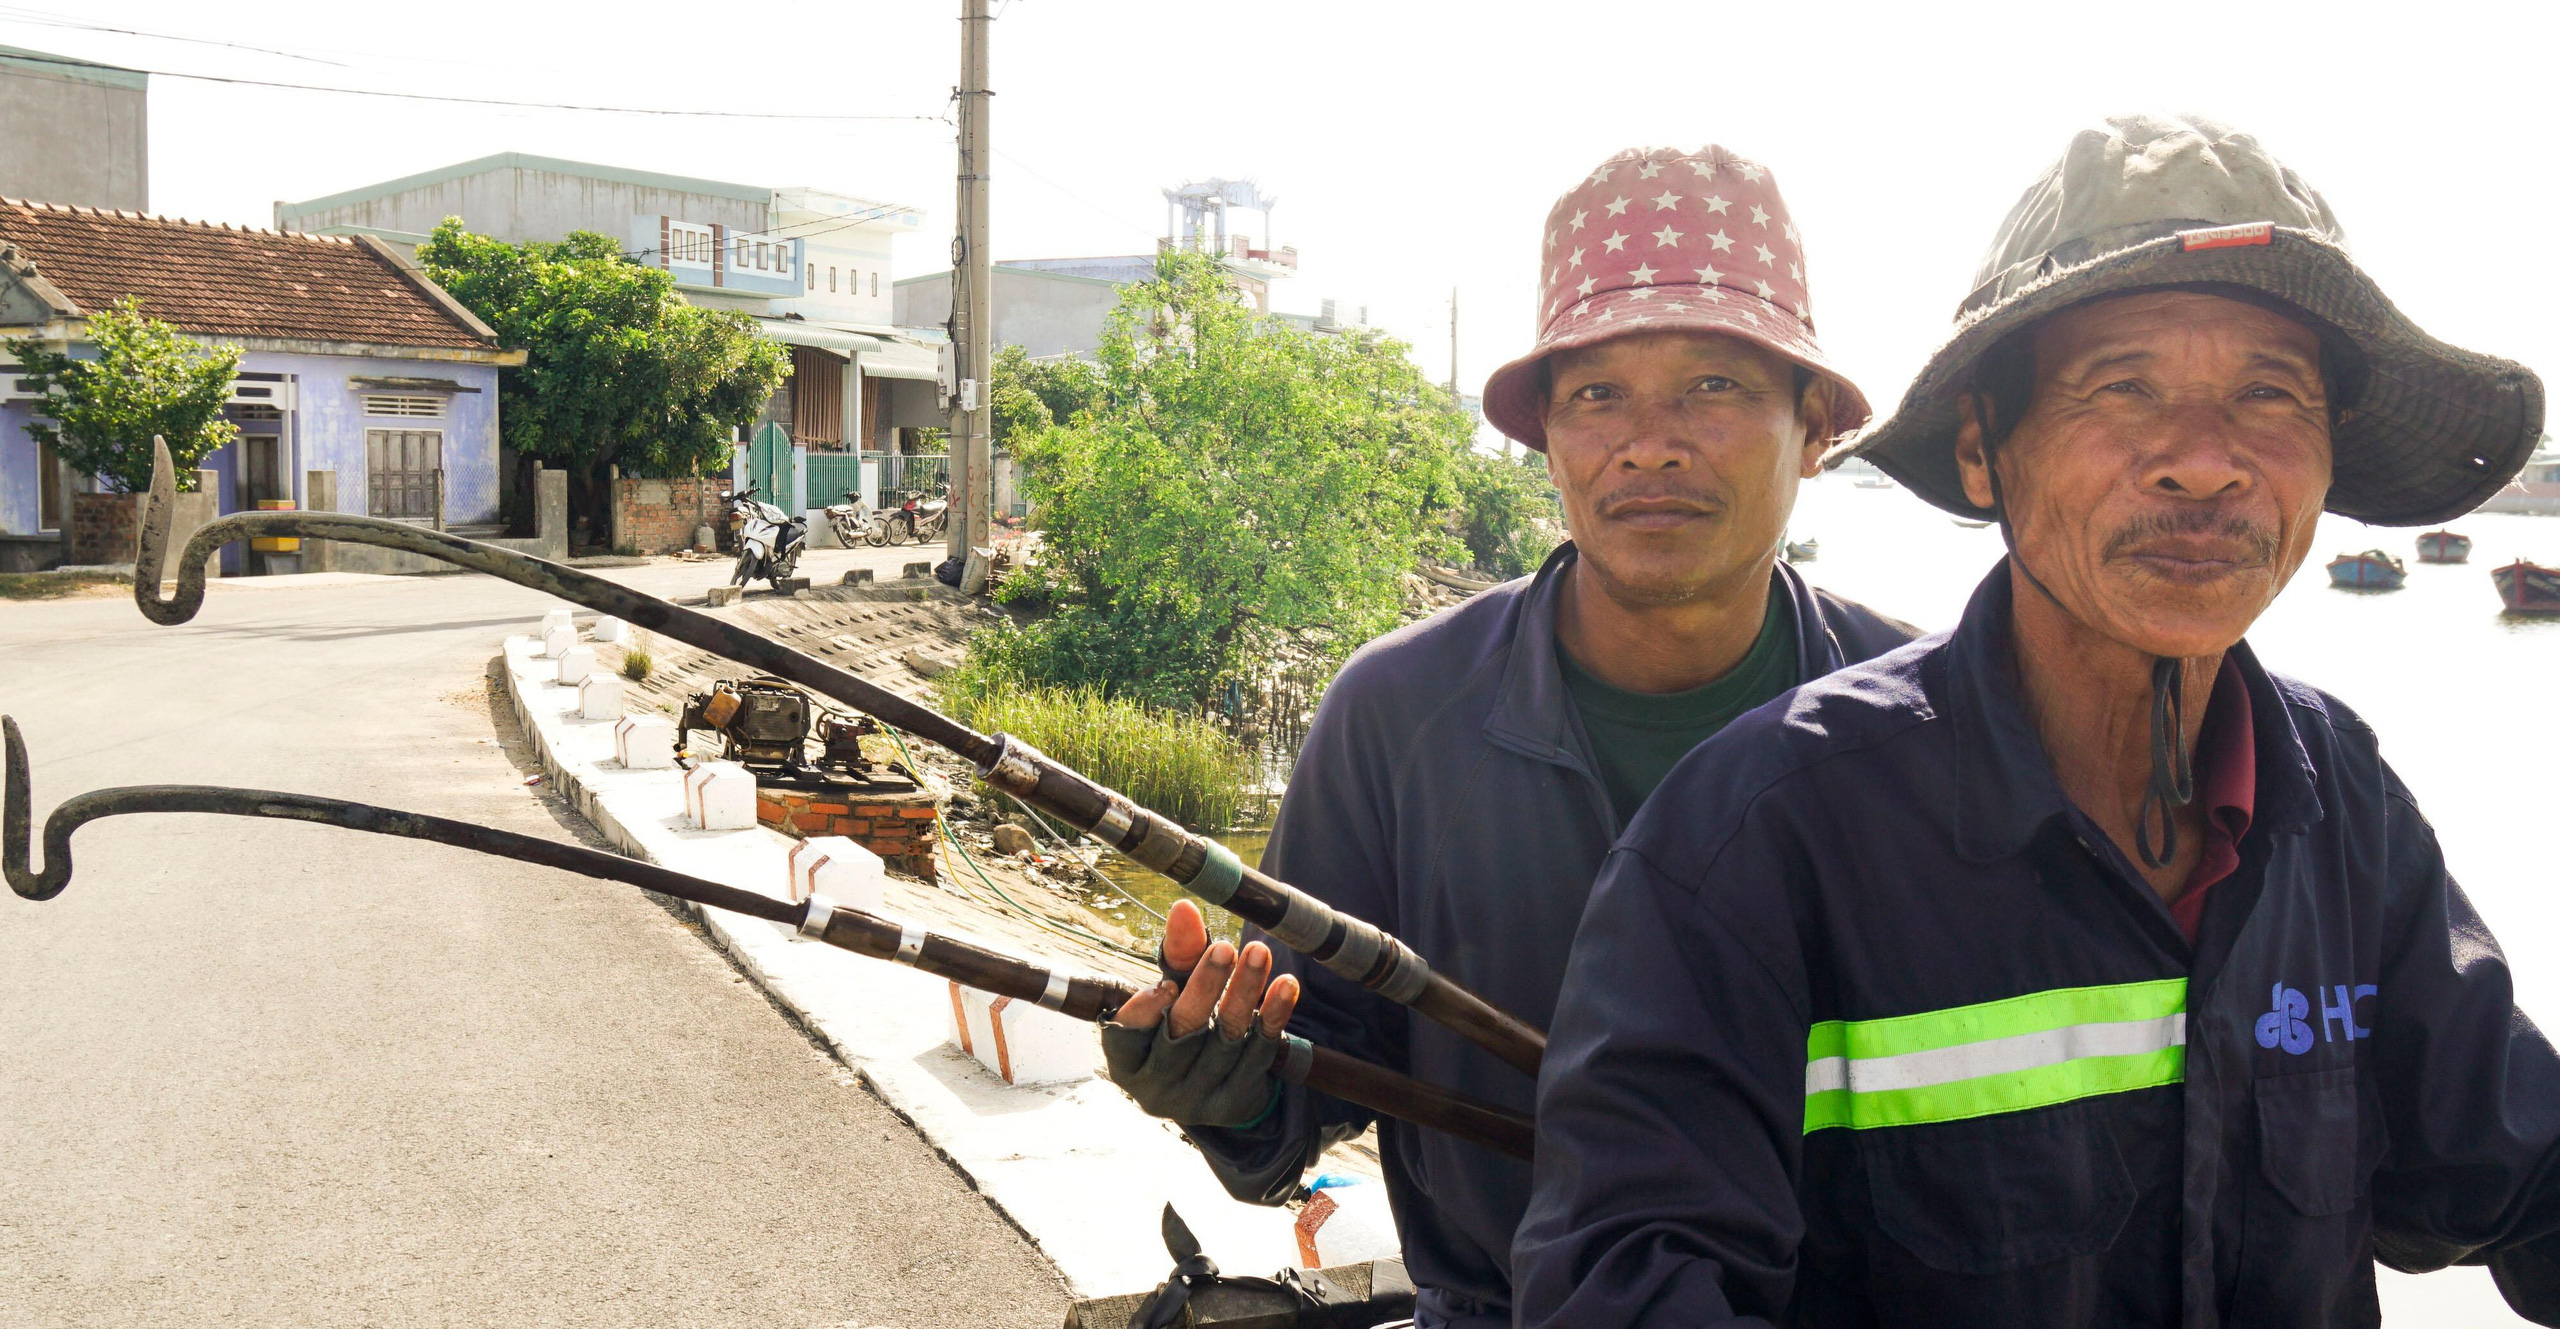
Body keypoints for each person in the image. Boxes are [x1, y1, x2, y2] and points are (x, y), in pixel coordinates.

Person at [1514, 113, 2559, 1327]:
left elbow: (2510, 1170)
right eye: (2123, 388)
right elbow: (1628, 1283)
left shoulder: (2336, 798)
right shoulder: (1758, 837)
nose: (2204, 463)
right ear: (1979, 451)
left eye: (2268, 393)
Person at [1095, 144, 1916, 1329]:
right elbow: (1315, 1070)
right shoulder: (1395, 713)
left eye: (1714, 387)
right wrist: (1218, 1088)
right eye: (1596, 395)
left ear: (1818, 425)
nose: (1648, 442)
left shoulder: (1921, 719)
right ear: (1545, 438)